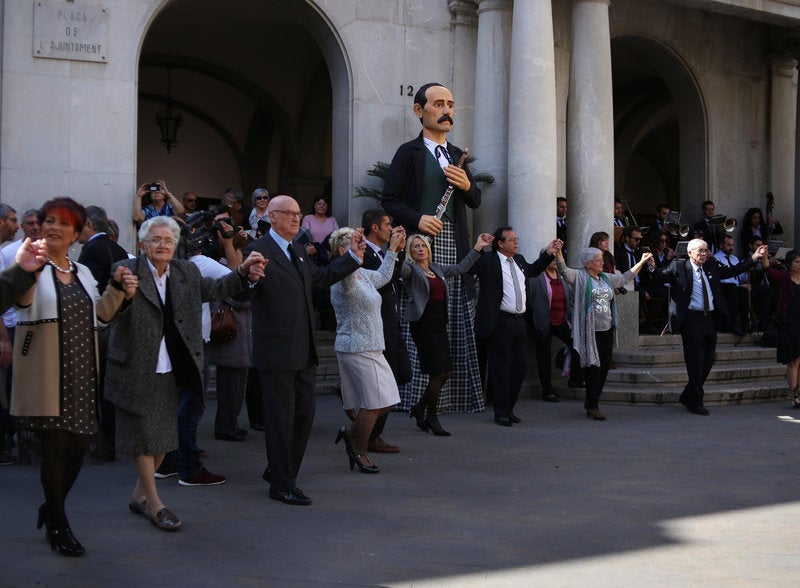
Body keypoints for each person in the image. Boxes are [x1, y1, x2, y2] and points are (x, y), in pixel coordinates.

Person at [104, 216, 265, 531]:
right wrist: (120, 288)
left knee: (165, 437)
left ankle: (138, 496)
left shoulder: (186, 273)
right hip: (136, 366)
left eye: (168, 240)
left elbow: (220, 287)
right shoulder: (126, 269)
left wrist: (244, 272)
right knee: (143, 437)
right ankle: (155, 503)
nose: (162, 245)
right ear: (142, 244)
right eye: (156, 239)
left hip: (173, 365)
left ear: (175, 245)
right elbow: (112, 307)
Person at [11, 197, 137, 556]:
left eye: (63, 224)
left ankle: (50, 506)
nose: (53, 227)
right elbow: (20, 302)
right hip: (47, 371)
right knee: (56, 449)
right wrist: (27, 270)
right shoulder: (31, 263)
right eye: (49, 221)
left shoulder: (82, 272)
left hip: (82, 370)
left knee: (79, 449)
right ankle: (58, 525)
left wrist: (118, 290)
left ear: (77, 233)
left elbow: (99, 317)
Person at [244, 195, 364, 506]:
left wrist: (352, 257)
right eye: (290, 214)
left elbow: (322, 278)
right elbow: (247, 289)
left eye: (299, 214)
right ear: (272, 216)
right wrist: (249, 279)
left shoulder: (298, 251)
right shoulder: (257, 251)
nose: (297, 219)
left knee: (303, 417)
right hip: (276, 353)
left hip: (303, 350)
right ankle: (283, 484)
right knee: (281, 420)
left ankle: (281, 471)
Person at [381, 81, 483, 415]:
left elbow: (474, 200)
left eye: (450, 104)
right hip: (418, 243)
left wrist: (468, 185)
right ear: (419, 110)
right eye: (438, 104)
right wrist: (419, 219)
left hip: (453, 241)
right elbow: (390, 200)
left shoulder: (456, 155)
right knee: (420, 314)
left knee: (450, 316)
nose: (446, 110)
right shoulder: (407, 153)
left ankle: (450, 398)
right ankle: (410, 397)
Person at [645, 238, 767, 415]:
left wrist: (754, 257)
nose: (703, 254)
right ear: (690, 253)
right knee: (695, 359)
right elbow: (659, 277)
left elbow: (732, 271)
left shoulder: (710, 265)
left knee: (708, 359)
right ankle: (696, 401)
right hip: (691, 318)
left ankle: (689, 394)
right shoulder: (679, 266)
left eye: (705, 251)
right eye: (700, 251)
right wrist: (651, 265)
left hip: (709, 317)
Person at [330, 225, 405, 473]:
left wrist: (393, 249)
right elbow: (349, 275)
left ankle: (350, 433)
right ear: (343, 250)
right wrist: (354, 255)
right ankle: (359, 451)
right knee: (374, 404)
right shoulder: (343, 275)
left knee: (386, 401)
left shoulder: (362, 274)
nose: (362, 248)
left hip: (372, 346)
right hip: (356, 346)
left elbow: (383, 277)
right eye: (357, 245)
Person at [402, 232, 493, 435]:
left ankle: (420, 407)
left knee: (447, 372)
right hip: (423, 327)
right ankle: (432, 418)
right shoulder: (410, 269)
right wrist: (397, 248)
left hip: (440, 325)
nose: (420, 249)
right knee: (438, 372)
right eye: (415, 246)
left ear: (428, 249)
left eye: (423, 245)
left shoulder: (437, 269)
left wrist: (478, 246)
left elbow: (461, 268)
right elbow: (400, 270)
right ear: (410, 252)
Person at [470, 228, 558, 426]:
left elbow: (534, 269)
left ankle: (509, 408)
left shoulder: (518, 259)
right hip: (499, 322)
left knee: (520, 367)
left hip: (520, 322)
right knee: (501, 369)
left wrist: (548, 253)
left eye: (516, 239)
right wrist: (478, 247)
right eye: (511, 240)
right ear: (500, 243)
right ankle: (500, 411)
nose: (516, 242)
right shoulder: (489, 260)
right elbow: (468, 267)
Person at [555, 245, 653, 420]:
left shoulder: (605, 278)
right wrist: (558, 252)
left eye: (602, 259)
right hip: (589, 331)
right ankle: (592, 405)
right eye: (599, 260)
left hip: (606, 329)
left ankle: (592, 401)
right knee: (594, 368)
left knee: (605, 366)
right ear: (588, 264)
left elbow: (624, 278)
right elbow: (563, 271)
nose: (602, 262)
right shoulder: (579, 277)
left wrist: (642, 262)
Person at [358, 209, 412, 453]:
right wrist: (392, 250)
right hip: (375, 324)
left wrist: (396, 252)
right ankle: (366, 436)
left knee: (401, 375)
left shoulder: (383, 253)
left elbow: (395, 275)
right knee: (383, 387)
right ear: (375, 228)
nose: (391, 228)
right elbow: (383, 281)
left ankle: (369, 433)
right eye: (387, 224)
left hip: (391, 321)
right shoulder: (364, 253)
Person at [0, 209, 40, 465]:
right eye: (16, 221)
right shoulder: (8, 253)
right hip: (13, 326)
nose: (18, 226)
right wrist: (4, 339)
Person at [529, 248, 581, 402]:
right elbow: (529, 300)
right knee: (544, 355)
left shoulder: (563, 277)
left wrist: (571, 320)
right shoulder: (536, 277)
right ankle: (547, 390)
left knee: (576, 344)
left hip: (561, 320)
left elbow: (570, 301)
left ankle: (575, 380)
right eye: (551, 257)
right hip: (542, 323)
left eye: (557, 257)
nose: (555, 260)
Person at [765, 250, 800, 407]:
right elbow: (768, 270)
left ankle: (798, 393)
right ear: (790, 264)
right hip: (789, 323)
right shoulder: (784, 277)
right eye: (797, 262)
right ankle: (792, 394)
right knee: (793, 360)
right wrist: (764, 256)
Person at [714, 234, 749, 336]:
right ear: (721, 245)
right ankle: (734, 323)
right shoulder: (717, 258)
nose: (732, 247)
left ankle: (745, 323)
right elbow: (721, 277)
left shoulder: (734, 259)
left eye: (732, 245)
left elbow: (741, 278)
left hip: (736, 286)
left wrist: (746, 272)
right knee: (733, 288)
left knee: (743, 291)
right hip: (724, 287)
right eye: (728, 245)